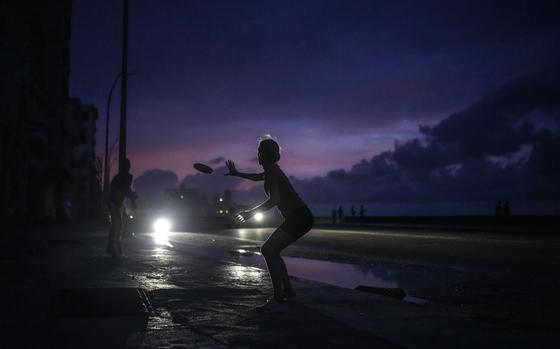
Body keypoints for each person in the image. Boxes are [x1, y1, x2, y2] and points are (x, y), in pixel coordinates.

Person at [225, 135, 314, 313]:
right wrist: (237, 173)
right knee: (274, 251)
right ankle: (288, 291)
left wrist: (250, 213)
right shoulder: (271, 170)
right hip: (299, 217)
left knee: (268, 250)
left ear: (263, 154)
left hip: (299, 217)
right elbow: (258, 177)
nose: (257, 155)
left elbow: (274, 199)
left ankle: (278, 297)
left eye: (258, 152)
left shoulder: (272, 170)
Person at [107, 158, 137, 257]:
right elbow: (125, 191)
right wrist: (132, 198)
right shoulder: (121, 177)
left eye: (128, 165)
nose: (128, 167)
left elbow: (127, 190)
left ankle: (113, 249)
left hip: (117, 203)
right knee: (117, 226)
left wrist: (132, 200)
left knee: (117, 226)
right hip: (114, 203)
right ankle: (114, 249)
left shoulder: (124, 177)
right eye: (126, 165)